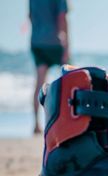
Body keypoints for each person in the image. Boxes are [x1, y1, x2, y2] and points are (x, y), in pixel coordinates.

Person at [29, 0, 69, 134]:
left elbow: (30, 16)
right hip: (54, 41)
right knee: (68, 81)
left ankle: (36, 124)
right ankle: (66, 122)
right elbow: (62, 17)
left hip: (37, 42)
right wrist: (66, 46)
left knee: (39, 82)